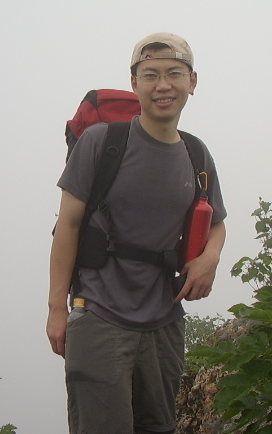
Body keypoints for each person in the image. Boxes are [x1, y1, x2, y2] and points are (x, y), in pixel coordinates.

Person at [46, 32, 227, 434]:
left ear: (192, 82)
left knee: (159, 427)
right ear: (134, 83)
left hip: (165, 321)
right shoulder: (102, 143)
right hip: (99, 315)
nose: (163, 85)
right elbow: (68, 226)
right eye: (151, 75)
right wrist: (57, 308)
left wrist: (210, 258)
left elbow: (216, 222)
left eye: (174, 74)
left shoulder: (196, 154)